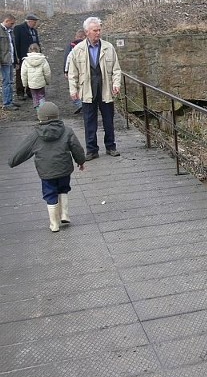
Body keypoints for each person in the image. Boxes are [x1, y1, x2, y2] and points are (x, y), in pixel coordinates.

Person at [8, 102, 85, 232]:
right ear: (57, 116)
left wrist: (12, 162)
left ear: (41, 117)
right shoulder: (67, 131)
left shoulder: (35, 135)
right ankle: (65, 214)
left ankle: (54, 224)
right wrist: (81, 161)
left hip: (46, 173)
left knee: (50, 194)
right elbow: (76, 148)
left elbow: (22, 152)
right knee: (63, 189)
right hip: (64, 170)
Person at [68, 16, 122, 160]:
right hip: (87, 90)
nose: (98, 33)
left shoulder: (108, 47)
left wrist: (116, 84)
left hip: (106, 89)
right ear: (87, 32)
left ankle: (111, 146)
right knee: (89, 121)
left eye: (99, 30)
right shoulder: (78, 49)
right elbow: (72, 73)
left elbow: (116, 69)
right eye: (95, 30)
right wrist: (73, 90)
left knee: (108, 120)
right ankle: (92, 150)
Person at [13, 13, 41, 100]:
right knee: (21, 74)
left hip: (33, 56)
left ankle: (30, 92)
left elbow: (37, 43)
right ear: (29, 21)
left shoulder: (34, 31)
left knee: (32, 75)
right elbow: (16, 43)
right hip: (22, 56)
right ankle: (20, 93)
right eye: (34, 22)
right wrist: (16, 57)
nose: (35, 24)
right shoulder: (19, 28)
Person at [21, 43, 51, 111]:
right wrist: (47, 81)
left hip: (32, 84)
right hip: (41, 83)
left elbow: (24, 74)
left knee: (35, 97)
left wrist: (25, 84)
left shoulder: (26, 61)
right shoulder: (43, 60)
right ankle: (43, 110)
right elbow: (47, 72)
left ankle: (38, 111)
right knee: (41, 96)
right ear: (38, 49)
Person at [63, 28, 86, 114]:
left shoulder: (71, 46)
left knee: (73, 88)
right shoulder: (87, 45)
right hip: (83, 70)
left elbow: (67, 58)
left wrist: (65, 71)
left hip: (72, 70)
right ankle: (84, 103)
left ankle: (79, 103)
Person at [0, 13, 19, 110]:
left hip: (10, 60)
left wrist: (15, 60)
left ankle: (10, 100)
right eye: (11, 23)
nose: (13, 25)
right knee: (6, 82)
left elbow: (13, 46)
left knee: (11, 82)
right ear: (6, 21)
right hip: (4, 61)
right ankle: (7, 104)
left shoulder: (10, 31)